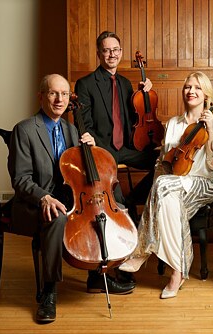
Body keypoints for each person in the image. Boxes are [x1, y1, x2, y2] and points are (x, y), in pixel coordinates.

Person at [8, 74, 135, 324]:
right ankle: (49, 291)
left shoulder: (72, 129)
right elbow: (20, 180)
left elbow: (81, 173)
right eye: (54, 93)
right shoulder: (24, 129)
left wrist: (90, 146)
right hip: (33, 203)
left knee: (100, 214)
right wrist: (43, 197)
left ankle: (97, 276)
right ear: (41, 96)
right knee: (56, 219)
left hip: (70, 200)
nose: (60, 99)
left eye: (65, 94)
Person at [119, 71, 213, 298]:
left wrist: (210, 134)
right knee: (166, 196)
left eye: (197, 88)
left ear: (206, 94)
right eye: (188, 87)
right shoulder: (173, 124)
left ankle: (141, 250)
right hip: (173, 182)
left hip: (201, 183)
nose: (191, 91)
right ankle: (178, 272)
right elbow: (164, 163)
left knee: (164, 186)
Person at [75, 30, 160, 284]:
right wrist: (101, 151)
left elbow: (135, 120)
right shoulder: (86, 84)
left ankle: (133, 200)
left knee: (162, 163)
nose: (112, 54)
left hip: (125, 148)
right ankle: (114, 258)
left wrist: (144, 94)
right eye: (106, 50)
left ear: (120, 53)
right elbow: (84, 125)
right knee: (114, 197)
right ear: (99, 53)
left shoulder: (124, 84)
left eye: (116, 50)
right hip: (103, 148)